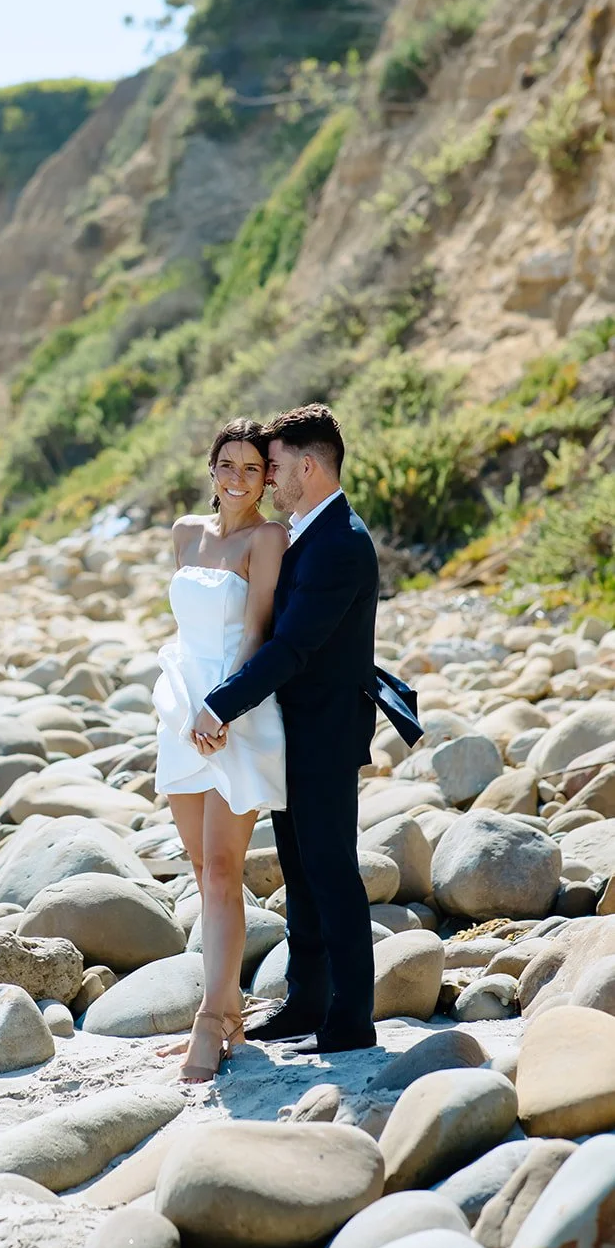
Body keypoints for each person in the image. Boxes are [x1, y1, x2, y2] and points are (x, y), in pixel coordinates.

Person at [191, 403, 381, 1054]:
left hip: (323, 734)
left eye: (273, 467)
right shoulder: (304, 532)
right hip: (286, 730)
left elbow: (292, 648)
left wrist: (220, 704)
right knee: (299, 875)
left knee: (330, 872)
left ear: (306, 464)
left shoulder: (341, 543)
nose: (269, 479)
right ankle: (305, 1002)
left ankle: (351, 1017)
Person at [153, 417, 288, 1082]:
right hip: (182, 707)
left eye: (251, 469)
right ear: (210, 471)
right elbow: (184, 629)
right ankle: (228, 1006)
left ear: (267, 478)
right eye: (225, 466)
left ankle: (210, 1018)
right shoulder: (182, 534)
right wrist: (190, 707)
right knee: (200, 871)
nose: (237, 479)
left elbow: (256, 629)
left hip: (235, 708)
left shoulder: (268, 538)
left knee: (223, 867)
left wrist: (225, 706)